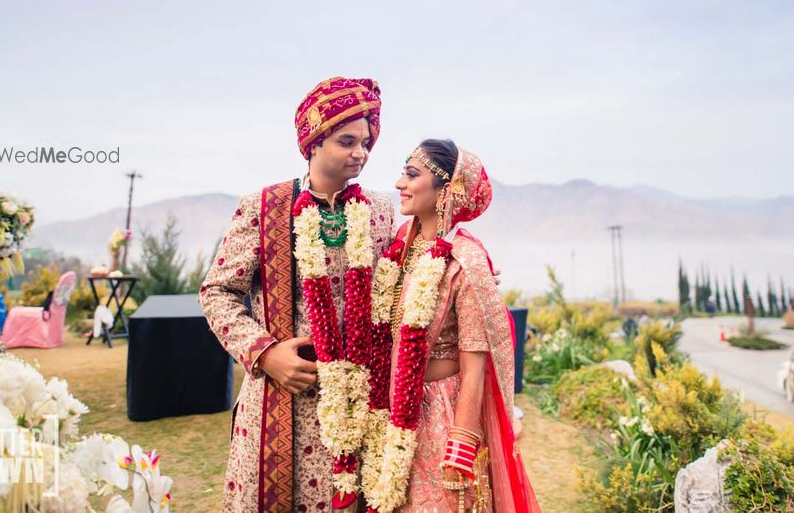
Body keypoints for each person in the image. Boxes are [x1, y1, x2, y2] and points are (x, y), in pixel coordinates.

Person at [199, 77, 395, 512]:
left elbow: (402, 286)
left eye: (365, 142)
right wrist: (266, 353)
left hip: (357, 406)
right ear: (313, 142)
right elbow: (217, 291)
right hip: (279, 402)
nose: (360, 153)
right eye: (347, 141)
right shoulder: (263, 207)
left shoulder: (381, 211)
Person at [360, 140, 541, 512]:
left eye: (412, 175)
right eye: (403, 172)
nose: (399, 183)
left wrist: (461, 443)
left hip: (441, 412)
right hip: (391, 407)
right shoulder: (398, 247)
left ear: (447, 190)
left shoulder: (467, 261)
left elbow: (474, 367)